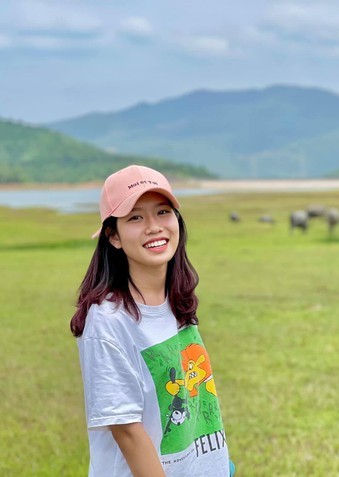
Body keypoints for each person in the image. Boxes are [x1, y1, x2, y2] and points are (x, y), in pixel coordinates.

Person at [70, 165, 234, 477]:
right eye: (135, 217)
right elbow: (128, 432)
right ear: (113, 236)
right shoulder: (108, 320)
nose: (154, 226)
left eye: (162, 212)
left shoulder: (176, 300)